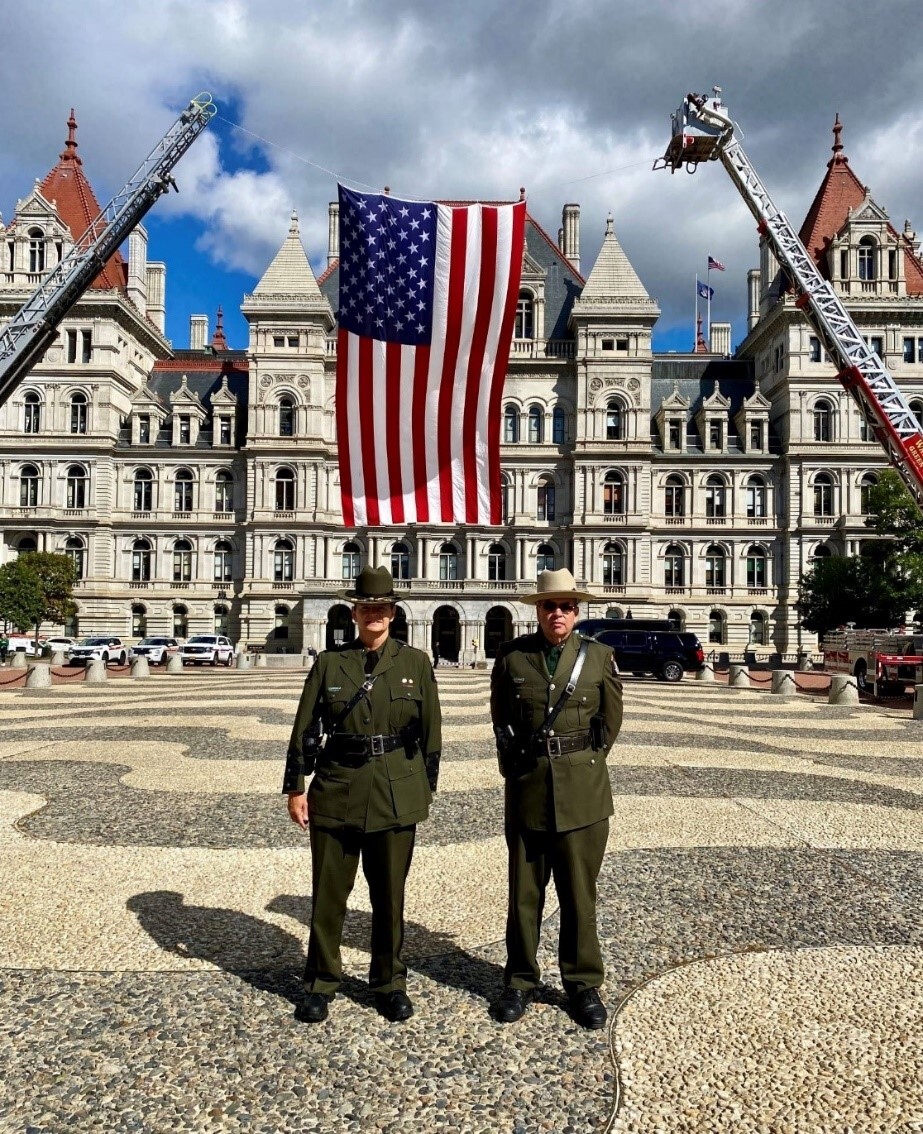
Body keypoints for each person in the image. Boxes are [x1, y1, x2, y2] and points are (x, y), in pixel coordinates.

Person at [283, 565, 442, 1023]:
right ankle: (320, 981)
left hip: (396, 792)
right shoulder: (331, 663)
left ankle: (389, 981)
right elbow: (304, 727)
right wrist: (297, 785)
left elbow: (431, 735)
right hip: (336, 787)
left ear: (394, 613)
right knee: (328, 894)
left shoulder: (415, 663)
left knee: (389, 897)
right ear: (354, 612)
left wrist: (422, 789)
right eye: (366, 607)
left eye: (382, 607)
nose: (374, 614)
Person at [489, 568, 623, 1029]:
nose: (558, 613)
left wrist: (578, 761)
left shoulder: (599, 657)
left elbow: (610, 724)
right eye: (550, 606)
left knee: (578, 895)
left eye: (566, 606)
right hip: (527, 789)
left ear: (577, 611)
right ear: (538, 611)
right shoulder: (512, 659)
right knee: (524, 896)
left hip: (583, 794)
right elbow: (502, 723)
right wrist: (521, 769)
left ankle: (583, 983)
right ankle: (520, 980)